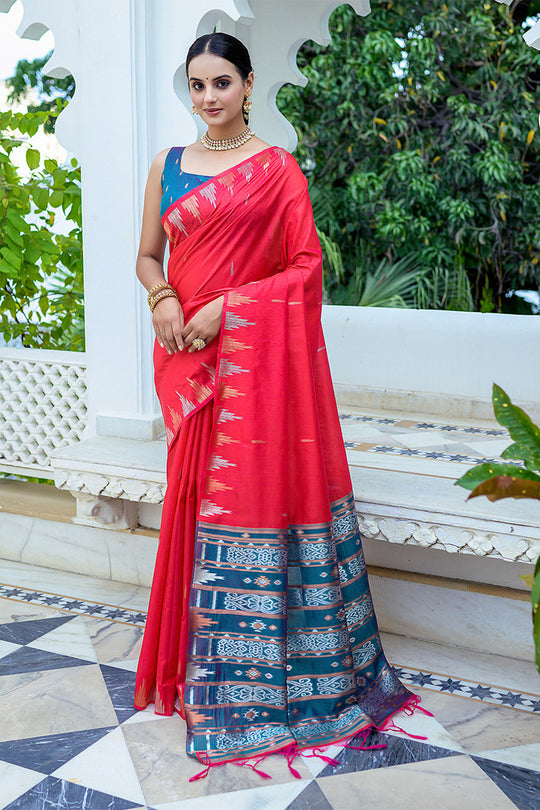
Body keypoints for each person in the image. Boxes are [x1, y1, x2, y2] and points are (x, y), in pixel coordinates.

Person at [134, 32, 421, 777]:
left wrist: (228, 308)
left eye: (221, 82)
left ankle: (255, 677)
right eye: (197, 85)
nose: (208, 97)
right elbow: (148, 255)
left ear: (249, 83)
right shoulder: (167, 166)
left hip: (246, 365)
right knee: (192, 501)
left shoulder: (277, 170)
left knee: (245, 500)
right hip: (187, 359)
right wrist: (163, 297)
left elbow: (305, 270)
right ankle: (190, 667)